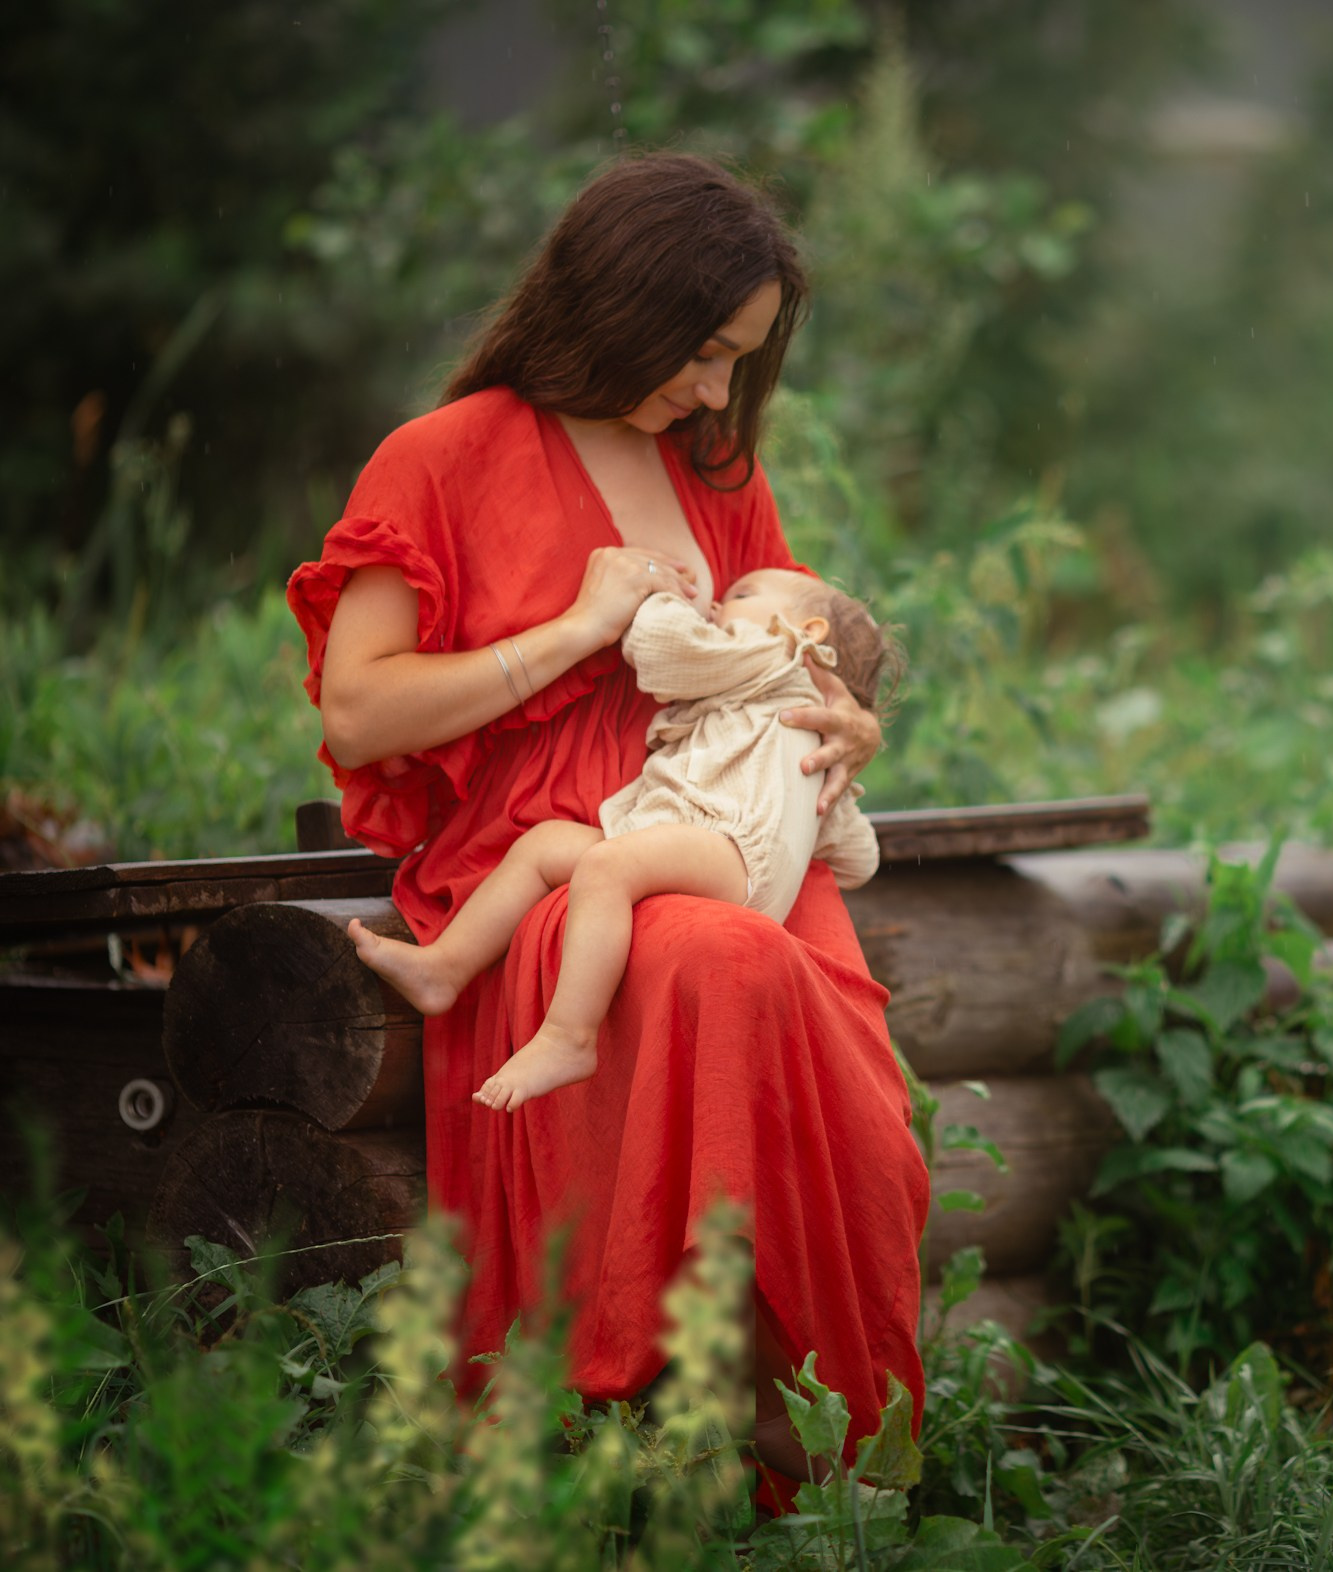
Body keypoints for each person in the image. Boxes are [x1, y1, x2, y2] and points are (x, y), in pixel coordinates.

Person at [285, 153, 928, 1500]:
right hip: (549, 862)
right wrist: (574, 631)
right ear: (620, 306)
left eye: (737, 365)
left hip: (729, 831)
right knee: (716, 966)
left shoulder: (716, 467)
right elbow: (357, 717)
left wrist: (849, 723)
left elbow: (798, 644)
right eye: (701, 353)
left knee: (862, 1110)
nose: (713, 392)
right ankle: (652, 1429)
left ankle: (827, 1472)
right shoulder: (442, 459)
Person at [345, 568, 894, 1114]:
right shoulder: (808, 726)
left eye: (740, 596)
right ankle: (445, 967)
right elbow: (859, 858)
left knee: (607, 867)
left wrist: (663, 594)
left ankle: (569, 1035)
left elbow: (659, 648)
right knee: (547, 845)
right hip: (708, 847)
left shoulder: (772, 654)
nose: (719, 606)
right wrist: (806, 814)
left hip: (731, 850)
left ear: (808, 631)